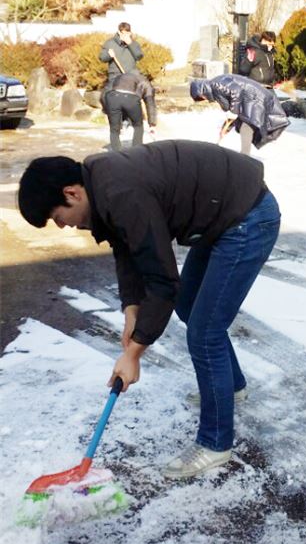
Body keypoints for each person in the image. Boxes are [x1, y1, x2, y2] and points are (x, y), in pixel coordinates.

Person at [18, 141, 281, 478]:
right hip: (224, 213)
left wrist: (135, 352)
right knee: (191, 307)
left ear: (71, 193)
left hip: (246, 217)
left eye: (57, 218)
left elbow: (162, 278)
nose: (63, 226)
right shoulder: (102, 184)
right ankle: (230, 388)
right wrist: (131, 308)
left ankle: (216, 444)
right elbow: (127, 248)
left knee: (205, 331)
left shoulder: (119, 190)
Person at [190, 74, 289, 155]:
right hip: (248, 102)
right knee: (243, 126)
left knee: (246, 127)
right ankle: (245, 156)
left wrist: (233, 112)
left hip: (255, 99)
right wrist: (225, 129)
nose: (204, 99)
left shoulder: (216, 83)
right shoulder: (216, 92)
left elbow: (236, 91)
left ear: (202, 90)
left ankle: (245, 157)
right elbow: (232, 112)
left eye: (201, 97)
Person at [103, 70, 157, 151]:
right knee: (138, 126)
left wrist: (109, 114)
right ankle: (136, 150)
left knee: (114, 130)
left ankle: (116, 153)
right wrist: (152, 124)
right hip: (130, 98)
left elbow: (105, 94)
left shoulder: (119, 77)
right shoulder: (145, 81)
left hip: (112, 97)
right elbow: (150, 103)